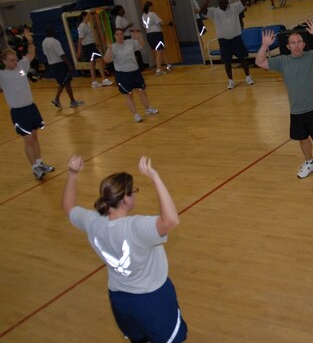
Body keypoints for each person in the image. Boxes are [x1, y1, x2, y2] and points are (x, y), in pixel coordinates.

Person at [62, 155, 188, 343]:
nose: (136, 194)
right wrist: (155, 177)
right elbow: (171, 220)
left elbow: (68, 207)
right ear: (125, 200)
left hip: (119, 299)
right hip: (152, 299)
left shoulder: (92, 221)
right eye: (134, 191)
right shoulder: (136, 228)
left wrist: (72, 175)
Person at [255, 19, 313, 187]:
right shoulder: (282, 61)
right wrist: (264, 46)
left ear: (304, 44)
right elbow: (259, 62)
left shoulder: (312, 57)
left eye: (299, 42)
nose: (296, 45)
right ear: (288, 46)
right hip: (296, 111)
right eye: (293, 43)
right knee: (302, 140)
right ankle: (309, 162)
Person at [0, 29, 55, 180]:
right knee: (28, 139)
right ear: (4, 61)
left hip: (31, 108)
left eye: (14, 59)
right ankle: (34, 168)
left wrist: (30, 41)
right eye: (10, 60)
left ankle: (40, 163)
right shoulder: (2, 75)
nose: (14, 62)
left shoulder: (22, 68)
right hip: (18, 112)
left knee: (35, 137)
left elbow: (31, 54)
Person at [201, 0, 254, 90]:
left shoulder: (234, 8)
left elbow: (244, 1)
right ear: (219, 3)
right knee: (227, 62)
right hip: (224, 40)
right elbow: (203, 10)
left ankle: (248, 77)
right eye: (222, 3)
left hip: (236, 38)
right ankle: (230, 81)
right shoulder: (214, 12)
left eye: (225, 3)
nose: (224, 5)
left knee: (243, 58)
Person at [104, 29, 158, 123]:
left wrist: (139, 36)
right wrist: (109, 49)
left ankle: (148, 109)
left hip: (135, 72)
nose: (120, 36)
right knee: (129, 95)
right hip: (122, 74)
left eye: (121, 34)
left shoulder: (130, 43)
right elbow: (106, 60)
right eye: (118, 34)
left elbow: (141, 44)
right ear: (115, 36)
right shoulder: (113, 47)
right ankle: (136, 115)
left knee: (142, 92)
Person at [42, 27, 85, 109]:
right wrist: (69, 64)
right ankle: (71, 101)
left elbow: (45, 54)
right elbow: (61, 54)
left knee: (63, 82)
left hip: (52, 65)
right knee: (66, 82)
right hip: (59, 64)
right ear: (53, 33)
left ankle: (58, 99)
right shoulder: (55, 42)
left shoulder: (44, 42)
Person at [76, 11, 113, 88]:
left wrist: (95, 43)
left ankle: (94, 81)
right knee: (100, 60)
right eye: (88, 16)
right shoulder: (82, 26)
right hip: (89, 47)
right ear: (84, 16)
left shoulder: (86, 25)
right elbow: (80, 39)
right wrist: (79, 49)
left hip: (91, 46)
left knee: (92, 64)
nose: (89, 17)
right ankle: (104, 80)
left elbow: (87, 37)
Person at [142, 1, 173, 76]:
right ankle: (158, 70)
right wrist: (167, 23)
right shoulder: (152, 14)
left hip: (149, 35)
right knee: (159, 52)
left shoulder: (143, 16)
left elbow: (144, 26)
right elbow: (161, 23)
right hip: (156, 34)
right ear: (150, 6)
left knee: (161, 49)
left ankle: (168, 65)